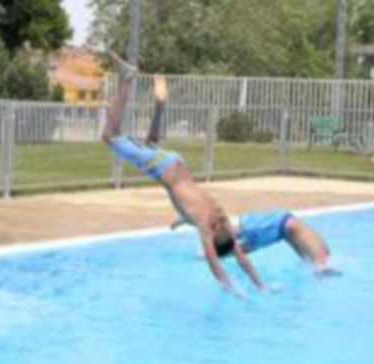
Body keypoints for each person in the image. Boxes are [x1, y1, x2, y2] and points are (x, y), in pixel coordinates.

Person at [101, 55, 264, 298]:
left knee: (150, 144)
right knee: (110, 135)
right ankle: (128, 79)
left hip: (176, 162)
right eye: (222, 229)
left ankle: (159, 106)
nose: (222, 224)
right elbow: (215, 264)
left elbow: (239, 257)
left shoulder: (222, 224)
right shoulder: (209, 229)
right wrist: (234, 290)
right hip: (165, 168)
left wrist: (259, 285)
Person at [176, 209, 342, 277]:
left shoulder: (243, 231)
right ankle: (321, 262)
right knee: (302, 237)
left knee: (313, 254)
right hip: (276, 229)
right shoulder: (245, 229)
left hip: (275, 232)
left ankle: (321, 262)